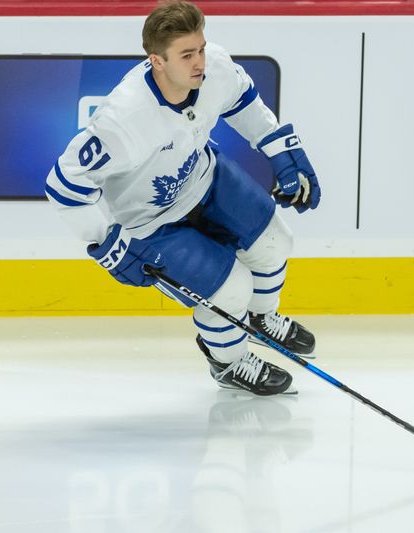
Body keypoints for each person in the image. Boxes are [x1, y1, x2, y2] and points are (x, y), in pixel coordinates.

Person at [45, 0, 320, 396]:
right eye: (187, 55)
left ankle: (259, 320)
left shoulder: (216, 67)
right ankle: (228, 362)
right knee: (229, 291)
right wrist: (107, 241)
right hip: (150, 222)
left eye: (201, 49)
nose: (199, 62)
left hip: (204, 177)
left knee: (277, 242)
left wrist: (279, 149)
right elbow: (63, 185)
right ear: (157, 60)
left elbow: (244, 103)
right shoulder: (123, 118)